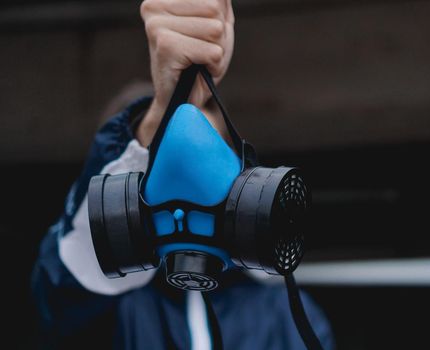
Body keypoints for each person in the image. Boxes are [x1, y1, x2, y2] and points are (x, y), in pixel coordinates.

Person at [30, 0, 334, 349]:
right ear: (122, 192)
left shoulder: (284, 315)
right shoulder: (103, 307)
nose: (193, 195)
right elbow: (66, 280)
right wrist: (161, 111)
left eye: (210, 166)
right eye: (162, 167)